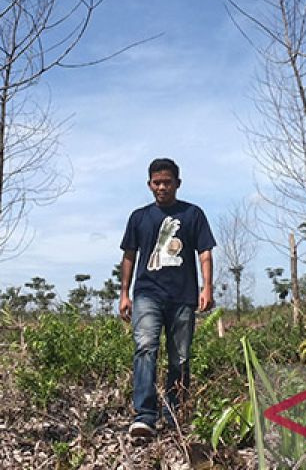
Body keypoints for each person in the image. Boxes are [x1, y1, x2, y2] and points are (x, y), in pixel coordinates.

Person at [119, 157, 215, 439]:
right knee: (145, 346)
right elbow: (128, 256)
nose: (162, 187)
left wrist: (207, 287)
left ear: (177, 184)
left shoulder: (193, 214)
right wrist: (124, 293)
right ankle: (145, 415)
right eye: (157, 182)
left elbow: (205, 253)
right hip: (147, 293)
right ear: (149, 184)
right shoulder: (139, 217)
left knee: (180, 357)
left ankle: (174, 412)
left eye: (167, 182)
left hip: (183, 296)